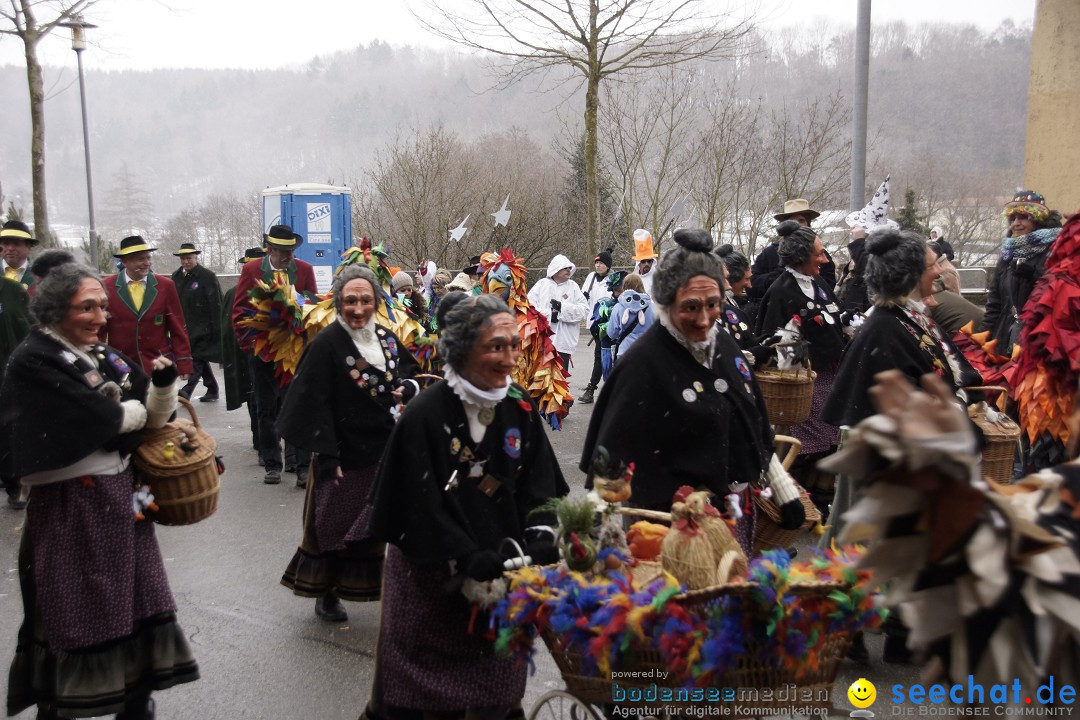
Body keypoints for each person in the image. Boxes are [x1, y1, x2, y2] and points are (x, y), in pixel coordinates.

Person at [0, 260, 198, 719]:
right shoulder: (34, 359)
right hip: (72, 508)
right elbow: (99, 419)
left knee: (137, 602)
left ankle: (135, 703)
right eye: (86, 307)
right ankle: (63, 705)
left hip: (122, 498)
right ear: (54, 311)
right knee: (79, 614)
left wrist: (163, 389)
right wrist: (130, 413)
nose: (99, 317)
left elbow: (152, 415)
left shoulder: (101, 354)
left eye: (102, 307)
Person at [364, 293, 568, 720]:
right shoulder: (425, 414)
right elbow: (416, 503)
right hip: (431, 581)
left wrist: (542, 529)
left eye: (514, 345)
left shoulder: (518, 407)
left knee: (495, 692)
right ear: (461, 351)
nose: (511, 358)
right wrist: (463, 553)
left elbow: (540, 483)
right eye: (496, 346)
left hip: (500, 576)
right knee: (424, 702)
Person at [581, 228, 805, 553]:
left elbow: (748, 422)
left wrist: (784, 491)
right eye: (690, 307)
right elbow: (611, 464)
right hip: (667, 529)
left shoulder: (724, 346)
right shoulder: (642, 365)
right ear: (666, 302)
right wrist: (610, 544)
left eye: (713, 304)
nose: (704, 319)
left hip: (732, 517)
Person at [277, 265, 420, 623]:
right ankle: (325, 590)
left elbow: (412, 372)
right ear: (339, 302)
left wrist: (411, 387)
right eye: (351, 300)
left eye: (366, 300)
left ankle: (376, 587)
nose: (359, 308)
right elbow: (311, 401)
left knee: (377, 526)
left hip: (382, 451)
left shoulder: (387, 338)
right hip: (342, 453)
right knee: (330, 525)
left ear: (376, 302)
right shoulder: (326, 344)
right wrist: (325, 453)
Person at [823, 228, 981, 536]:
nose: (940, 271)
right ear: (910, 274)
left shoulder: (909, 318)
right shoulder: (884, 330)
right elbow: (899, 410)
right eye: (933, 264)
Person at [755, 219, 847, 472]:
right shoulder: (781, 291)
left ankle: (822, 491)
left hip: (830, 377)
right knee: (806, 449)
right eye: (819, 254)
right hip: (802, 385)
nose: (825, 260)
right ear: (802, 256)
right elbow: (772, 342)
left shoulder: (819, 284)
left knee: (831, 444)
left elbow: (835, 314)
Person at [232, 225, 318, 485]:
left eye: (291, 251)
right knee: (265, 409)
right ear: (270, 250)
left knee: (300, 407)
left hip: (295, 352)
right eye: (283, 251)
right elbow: (239, 313)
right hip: (263, 353)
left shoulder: (304, 270)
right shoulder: (251, 270)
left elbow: (313, 305)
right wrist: (252, 345)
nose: (288, 256)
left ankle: (303, 467)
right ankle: (272, 463)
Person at [979, 190, 1062, 356]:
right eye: (1012, 218)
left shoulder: (1055, 252)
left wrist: (1033, 275)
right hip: (1004, 339)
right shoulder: (1008, 254)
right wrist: (982, 337)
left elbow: (1059, 295)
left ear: (1038, 221)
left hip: (1038, 342)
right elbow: (995, 304)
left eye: (1023, 218)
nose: (1016, 223)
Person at [102, 235, 194, 379]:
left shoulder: (166, 285)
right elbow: (99, 329)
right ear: (125, 261)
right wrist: (98, 362)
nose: (147, 263)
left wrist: (184, 362)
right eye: (140, 259)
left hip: (158, 364)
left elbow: (178, 327)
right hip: (121, 366)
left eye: (148, 258)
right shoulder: (107, 286)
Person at [221, 247, 265, 457]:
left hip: (258, 350)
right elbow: (229, 325)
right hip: (246, 350)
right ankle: (260, 438)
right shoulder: (235, 292)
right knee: (256, 397)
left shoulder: (273, 289)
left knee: (258, 397)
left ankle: (261, 438)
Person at [749, 199, 837, 302]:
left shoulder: (820, 255)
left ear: (808, 224)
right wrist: (777, 277)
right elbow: (752, 285)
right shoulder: (769, 254)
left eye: (801, 220)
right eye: (792, 221)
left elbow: (828, 286)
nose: (797, 225)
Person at [171, 242, 223, 402]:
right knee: (199, 357)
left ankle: (187, 391)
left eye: (189, 258)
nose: (186, 262)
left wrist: (217, 327)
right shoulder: (176, 277)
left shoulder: (206, 276)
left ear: (195, 257)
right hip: (186, 326)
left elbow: (216, 303)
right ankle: (212, 388)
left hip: (204, 327)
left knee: (197, 357)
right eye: (183, 258)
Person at [0, 267, 31, 510]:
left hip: (8, 371)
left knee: (9, 428)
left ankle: (14, 483)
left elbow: (28, 329)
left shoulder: (11, 290)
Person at [527, 253, 589, 372]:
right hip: (542, 341)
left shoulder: (573, 287)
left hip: (563, 343)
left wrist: (562, 308)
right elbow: (530, 308)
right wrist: (551, 314)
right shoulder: (541, 285)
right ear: (556, 268)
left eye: (569, 268)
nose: (568, 270)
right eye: (565, 267)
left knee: (560, 380)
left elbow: (584, 310)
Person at [578, 248, 613, 404]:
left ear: (608, 265)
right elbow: (583, 296)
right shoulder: (591, 277)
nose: (598, 265)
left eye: (601, 263)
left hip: (606, 325)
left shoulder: (612, 280)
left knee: (601, 357)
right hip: (593, 324)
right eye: (596, 263)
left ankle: (592, 389)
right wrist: (583, 296)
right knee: (600, 357)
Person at [587, 270, 626, 385]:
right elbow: (595, 329)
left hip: (625, 347)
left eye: (624, 290)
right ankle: (592, 387)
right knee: (599, 361)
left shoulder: (633, 305)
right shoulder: (604, 306)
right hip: (607, 346)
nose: (621, 294)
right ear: (613, 291)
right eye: (618, 291)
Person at [606, 272, 655, 363]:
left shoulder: (618, 307)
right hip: (648, 353)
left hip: (625, 353)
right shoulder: (652, 307)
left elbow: (612, 333)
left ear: (624, 286)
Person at [1, 219, 37, 289]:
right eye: (6, 243)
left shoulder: (40, 275)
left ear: (29, 247)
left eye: (16, 243)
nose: (10, 248)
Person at [631, 229, 658, 296]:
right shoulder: (633, 280)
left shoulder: (658, 278)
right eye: (643, 261)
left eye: (649, 261)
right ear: (638, 263)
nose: (647, 264)